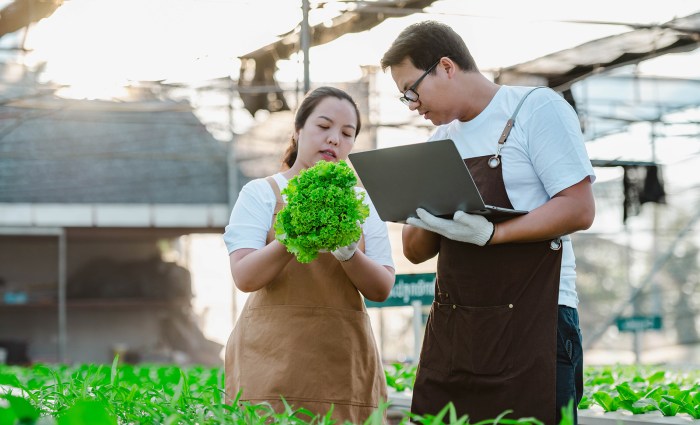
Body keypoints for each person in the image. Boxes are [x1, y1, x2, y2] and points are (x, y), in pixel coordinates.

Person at [380, 21, 595, 424]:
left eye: (413, 90)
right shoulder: (439, 142)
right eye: (404, 97)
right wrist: (420, 203)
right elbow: (415, 249)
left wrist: (493, 234)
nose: (412, 104)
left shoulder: (534, 108)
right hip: (458, 330)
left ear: (446, 67)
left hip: (537, 322)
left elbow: (578, 208)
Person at [222, 86, 395, 423]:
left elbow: (382, 287)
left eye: (347, 134)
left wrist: (348, 254)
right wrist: (292, 237)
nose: (334, 139)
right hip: (269, 362)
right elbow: (244, 276)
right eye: (323, 126)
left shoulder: (363, 205)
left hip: (344, 363)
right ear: (298, 131)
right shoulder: (262, 193)